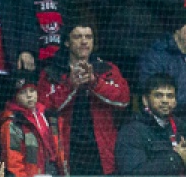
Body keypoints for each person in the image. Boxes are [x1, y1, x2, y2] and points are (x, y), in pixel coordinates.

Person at [38, 22, 131, 177]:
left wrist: (95, 82)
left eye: (88, 37)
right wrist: (70, 85)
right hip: (67, 150)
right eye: (77, 37)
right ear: (67, 42)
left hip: (101, 151)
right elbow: (43, 109)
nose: (84, 41)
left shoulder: (107, 69)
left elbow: (123, 99)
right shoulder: (51, 72)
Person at [113, 74, 186, 175]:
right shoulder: (131, 132)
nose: (165, 101)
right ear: (145, 100)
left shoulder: (182, 127)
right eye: (158, 95)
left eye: (170, 96)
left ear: (175, 101)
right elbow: (133, 173)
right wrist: (177, 158)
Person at [0, 69, 64, 177]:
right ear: (15, 96)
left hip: (54, 171)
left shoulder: (49, 116)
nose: (29, 96)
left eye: (32, 90)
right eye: (23, 92)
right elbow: (13, 163)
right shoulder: (12, 124)